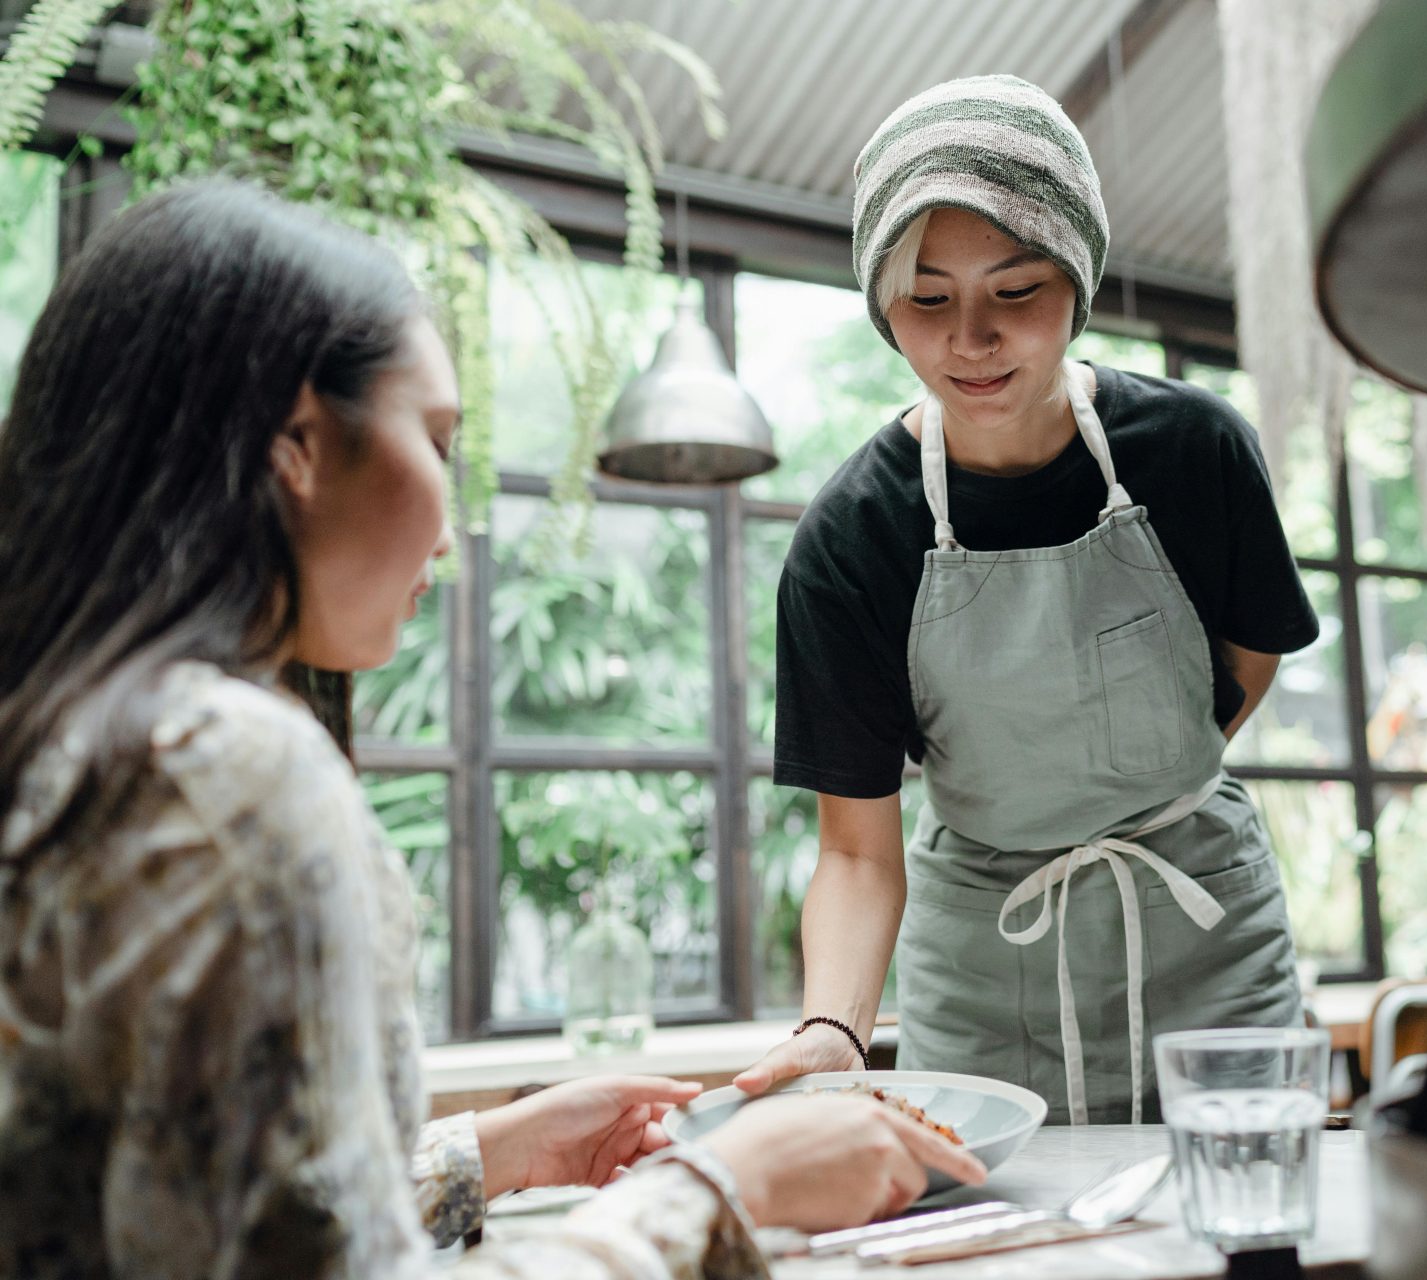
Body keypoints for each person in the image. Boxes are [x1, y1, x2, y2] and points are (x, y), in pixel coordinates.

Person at [0, 180, 982, 1280]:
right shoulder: (231, 775)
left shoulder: (70, 744)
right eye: (434, 436)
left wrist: (491, 1150)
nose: (456, 520)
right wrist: (717, 1188)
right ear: (295, 444)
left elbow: (192, 1212)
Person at [737, 76, 1321, 1125]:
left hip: (1205, 934)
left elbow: (1246, 662)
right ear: (881, 303)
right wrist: (831, 1029)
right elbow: (857, 850)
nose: (972, 337)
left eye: (1016, 290)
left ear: (1079, 279)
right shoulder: (851, 540)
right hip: (985, 962)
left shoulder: (1197, 451)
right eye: (928, 298)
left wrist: (1131, 783)